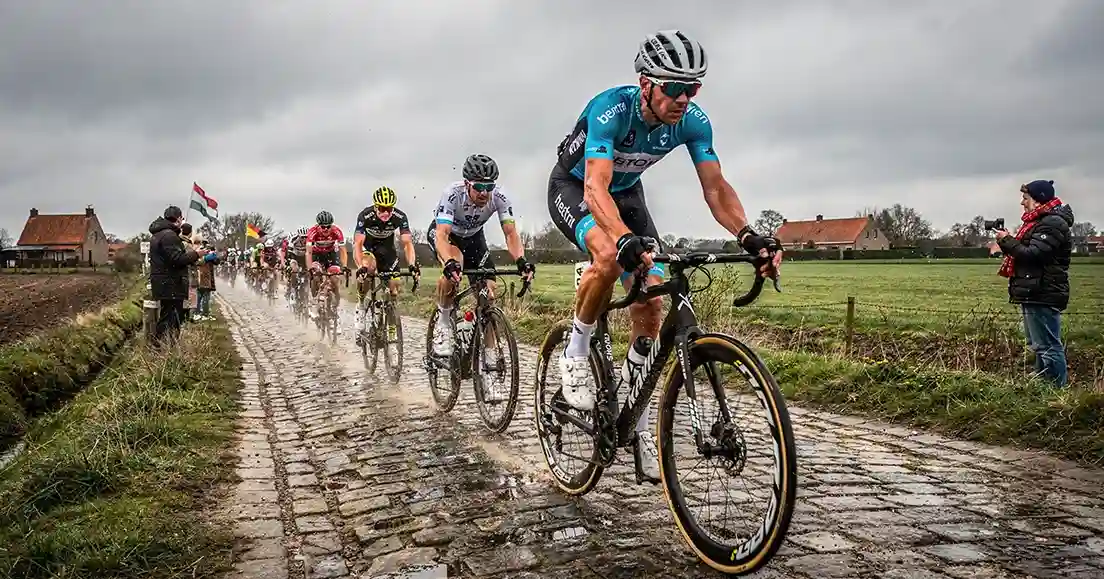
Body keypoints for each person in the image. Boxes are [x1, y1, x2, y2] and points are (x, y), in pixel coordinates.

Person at [546, 29, 781, 483]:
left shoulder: (693, 121)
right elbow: (595, 186)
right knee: (610, 257)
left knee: (652, 299)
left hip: (627, 190)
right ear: (646, 83)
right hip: (575, 187)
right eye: (674, 87)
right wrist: (621, 239)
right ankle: (576, 350)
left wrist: (749, 236)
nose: (683, 98)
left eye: (693, 88)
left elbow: (715, 188)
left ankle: (632, 417)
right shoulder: (609, 110)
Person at [426, 154, 535, 360]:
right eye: (479, 187)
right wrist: (448, 262)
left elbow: (511, 233)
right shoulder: (452, 194)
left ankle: (489, 352)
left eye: (489, 187)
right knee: (454, 267)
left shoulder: (500, 197)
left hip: (475, 237)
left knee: (489, 294)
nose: (484, 193)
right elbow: (442, 234)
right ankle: (443, 323)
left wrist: (521, 260)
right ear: (467, 183)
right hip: (449, 236)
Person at [996, 179, 1074, 388]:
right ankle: (1042, 388)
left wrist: (1006, 241)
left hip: (1042, 290)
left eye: (1025, 198)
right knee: (1039, 345)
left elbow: (1032, 254)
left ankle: (1056, 391)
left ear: (1038, 199)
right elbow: (1029, 251)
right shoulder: (1041, 222)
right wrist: (1008, 242)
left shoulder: (1051, 223)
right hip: (1034, 290)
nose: (1022, 203)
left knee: (1048, 345)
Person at [352, 186, 420, 344]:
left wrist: (411, 265)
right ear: (376, 207)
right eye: (382, 209)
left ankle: (391, 326)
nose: (386, 213)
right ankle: (361, 304)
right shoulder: (365, 215)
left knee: (394, 285)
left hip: (387, 251)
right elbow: (357, 243)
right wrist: (360, 265)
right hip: (368, 248)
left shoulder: (399, 217)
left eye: (389, 209)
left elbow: (407, 243)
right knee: (369, 267)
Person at [148, 206, 207, 346]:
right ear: (178, 218)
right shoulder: (169, 235)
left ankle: (165, 347)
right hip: (171, 283)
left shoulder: (159, 234)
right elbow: (177, 259)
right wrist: (196, 254)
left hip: (165, 282)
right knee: (171, 317)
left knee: (168, 315)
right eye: (181, 218)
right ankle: (161, 347)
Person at [305, 210, 349, 322]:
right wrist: (310, 268)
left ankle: (335, 310)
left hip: (331, 255)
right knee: (315, 275)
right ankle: (314, 301)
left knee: (335, 278)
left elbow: (343, 251)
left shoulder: (336, 231)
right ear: (318, 225)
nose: (325, 229)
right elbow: (308, 253)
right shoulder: (312, 232)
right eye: (323, 227)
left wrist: (344, 266)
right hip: (316, 255)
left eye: (328, 226)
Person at [194, 237, 220, 320]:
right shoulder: (204, 252)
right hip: (204, 275)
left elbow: (217, 261)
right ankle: (204, 314)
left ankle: (198, 312)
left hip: (201, 275)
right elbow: (200, 262)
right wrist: (211, 255)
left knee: (200, 294)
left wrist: (214, 255)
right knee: (205, 294)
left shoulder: (199, 251)